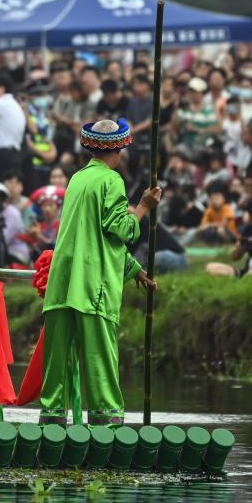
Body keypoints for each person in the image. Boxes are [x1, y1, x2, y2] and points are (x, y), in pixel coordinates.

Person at [39, 118, 161, 426]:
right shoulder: (111, 180)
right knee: (100, 362)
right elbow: (120, 229)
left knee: (56, 367)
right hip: (92, 287)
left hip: (62, 285)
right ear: (119, 151)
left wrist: (133, 268)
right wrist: (144, 207)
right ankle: (106, 428)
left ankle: (51, 427)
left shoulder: (77, 179)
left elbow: (91, 235)